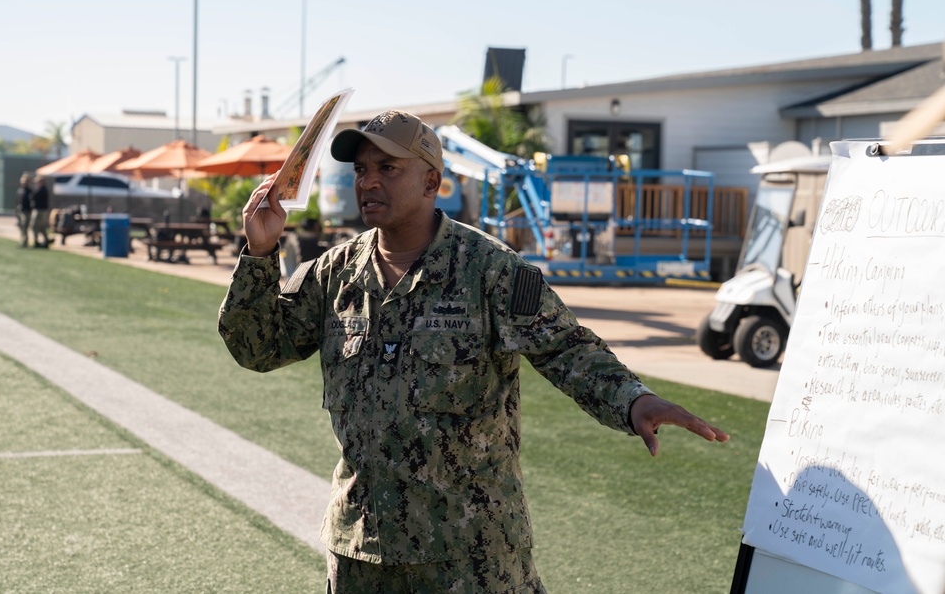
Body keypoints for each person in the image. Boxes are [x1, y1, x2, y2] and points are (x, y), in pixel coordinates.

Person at [217, 110, 729, 593]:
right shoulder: (335, 274)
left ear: (431, 182)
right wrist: (261, 252)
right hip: (362, 551)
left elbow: (567, 350)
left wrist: (635, 401)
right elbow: (258, 348)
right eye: (361, 170)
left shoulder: (490, 269)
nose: (368, 181)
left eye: (388, 168)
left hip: (470, 555)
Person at [29, 174, 51, 248]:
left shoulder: (42, 190)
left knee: (35, 226)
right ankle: (46, 240)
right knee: (41, 227)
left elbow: (33, 196)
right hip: (40, 210)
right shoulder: (41, 189)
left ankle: (36, 241)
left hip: (40, 210)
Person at [15, 173, 33, 247]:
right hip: (20, 211)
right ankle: (23, 241)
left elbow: (31, 201)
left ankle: (24, 242)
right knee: (21, 226)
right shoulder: (20, 191)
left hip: (27, 211)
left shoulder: (29, 191)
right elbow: (17, 201)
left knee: (24, 226)